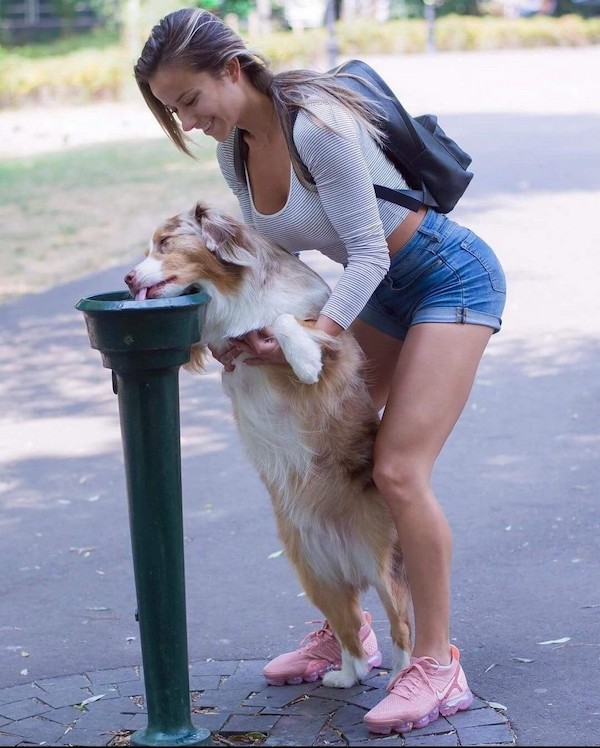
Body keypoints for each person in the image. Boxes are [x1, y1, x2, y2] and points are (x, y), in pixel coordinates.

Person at [134, 7, 507, 735]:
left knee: (396, 471)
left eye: (191, 100)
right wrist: (238, 334)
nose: (190, 122)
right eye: (174, 111)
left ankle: (435, 661)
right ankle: (348, 626)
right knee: (332, 455)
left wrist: (316, 335)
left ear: (233, 69)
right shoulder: (235, 153)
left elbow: (366, 254)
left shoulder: (317, 128)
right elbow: (274, 264)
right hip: (373, 294)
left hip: (445, 277)